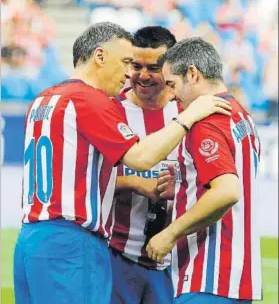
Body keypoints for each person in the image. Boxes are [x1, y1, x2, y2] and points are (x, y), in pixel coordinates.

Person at [13, 21, 232, 304]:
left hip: (31, 238)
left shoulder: (44, 100)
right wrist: (189, 117)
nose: (130, 73)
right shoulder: (89, 100)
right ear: (100, 56)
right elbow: (141, 157)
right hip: (71, 242)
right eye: (127, 62)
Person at [146, 37, 262, 304]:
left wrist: (169, 233)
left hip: (208, 275)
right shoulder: (241, 115)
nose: (172, 94)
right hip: (239, 275)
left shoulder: (204, 122)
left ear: (193, 74)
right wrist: (187, 185)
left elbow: (226, 192)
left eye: (173, 84)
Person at [109, 26, 178, 304]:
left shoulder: (189, 112)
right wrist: (134, 182)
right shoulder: (110, 110)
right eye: (137, 66)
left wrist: (180, 188)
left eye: (154, 67)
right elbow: (85, 179)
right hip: (117, 255)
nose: (144, 75)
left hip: (174, 261)